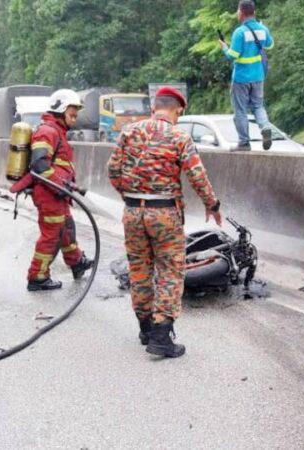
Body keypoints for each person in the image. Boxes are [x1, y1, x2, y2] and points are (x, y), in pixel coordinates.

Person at [107, 87, 222, 358]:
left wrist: (130, 197)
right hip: (165, 214)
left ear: (154, 107)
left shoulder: (129, 132)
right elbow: (196, 174)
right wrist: (212, 204)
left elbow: (112, 170)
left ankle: (145, 328)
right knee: (170, 271)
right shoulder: (179, 136)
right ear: (178, 109)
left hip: (133, 212)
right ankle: (161, 335)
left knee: (139, 270)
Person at [26, 89, 93, 292]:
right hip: (49, 194)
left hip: (57, 194)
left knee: (67, 227)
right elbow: (39, 165)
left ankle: (76, 262)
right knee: (51, 235)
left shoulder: (57, 131)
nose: (76, 116)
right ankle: (37, 277)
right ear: (61, 109)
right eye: (72, 111)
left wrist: (65, 186)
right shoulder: (47, 131)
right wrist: (60, 184)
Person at [219, 0, 274, 151]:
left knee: (241, 110)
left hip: (241, 78)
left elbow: (232, 55)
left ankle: (244, 143)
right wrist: (263, 28)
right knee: (258, 106)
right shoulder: (263, 29)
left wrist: (224, 48)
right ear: (254, 12)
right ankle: (265, 126)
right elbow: (270, 45)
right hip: (258, 75)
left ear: (241, 13)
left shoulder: (240, 32)